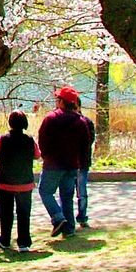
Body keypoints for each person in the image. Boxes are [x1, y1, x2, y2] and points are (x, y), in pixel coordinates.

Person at [0, 110, 42, 251]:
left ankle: (5, 239)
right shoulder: (30, 140)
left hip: (5, 183)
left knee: (6, 213)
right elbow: (38, 155)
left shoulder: (2, 139)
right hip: (25, 184)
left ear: (10, 123)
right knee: (24, 213)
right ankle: (24, 242)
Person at [37, 86, 90, 238]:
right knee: (67, 196)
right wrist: (82, 164)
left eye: (57, 99)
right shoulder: (81, 121)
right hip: (72, 165)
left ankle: (58, 218)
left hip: (53, 164)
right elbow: (85, 145)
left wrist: (46, 156)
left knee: (45, 191)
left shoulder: (51, 119)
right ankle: (70, 228)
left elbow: (43, 141)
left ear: (61, 102)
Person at [73, 98, 95, 229]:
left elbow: (89, 140)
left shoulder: (87, 122)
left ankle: (82, 216)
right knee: (68, 192)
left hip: (82, 163)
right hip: (69, 163)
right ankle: (67, 219)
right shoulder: (65, 121)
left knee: (82, 192)